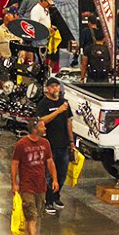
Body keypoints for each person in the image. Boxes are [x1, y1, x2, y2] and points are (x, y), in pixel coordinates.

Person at [10, 118, 57, 235]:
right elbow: (14, 164)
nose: (45, 129)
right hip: (27, 186)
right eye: (43, 127)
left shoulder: (45, 143)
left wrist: (55, 179)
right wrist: (14, 183)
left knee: (35, 215)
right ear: (35, 129)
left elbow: (50, 162)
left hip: (41, 185)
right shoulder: (21, 144)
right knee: (32, 216)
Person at [35, 78, 73, 214]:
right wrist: (58, 111)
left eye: (57, 86)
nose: (55, 89)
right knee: (49, 175)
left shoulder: (65, 103)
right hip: (49, 145)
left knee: (62, 174)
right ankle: (48, 200)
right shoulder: (43, 104)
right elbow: (42, 120)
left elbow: (69, 122)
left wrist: (71, 141)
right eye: (52, 86)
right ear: (47, 89)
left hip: (63, 144)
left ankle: (57, 196)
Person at [0, 13, 17, 79]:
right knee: (4, 78)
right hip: (4, 58)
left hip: (15, 58)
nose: (11, 23)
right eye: (9, 21)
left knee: (15, 78)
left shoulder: (16, 30)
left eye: (12, 21)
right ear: (4, 20)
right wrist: (0, 56)